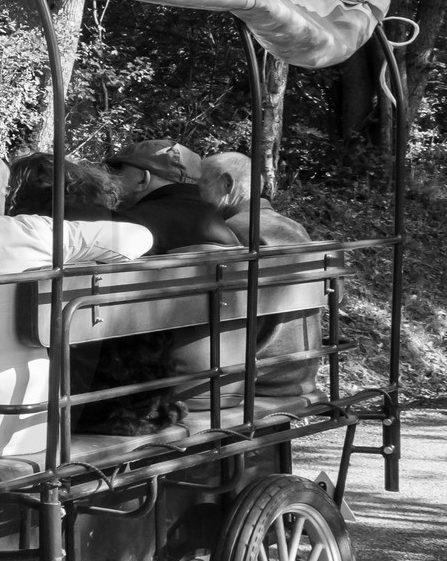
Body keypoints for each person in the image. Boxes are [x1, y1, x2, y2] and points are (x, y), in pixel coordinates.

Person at [0, 150, 155, 460]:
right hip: (27, 424)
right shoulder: (32, 232)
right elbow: (139, 238)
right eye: (2, 192)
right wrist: (78, 253)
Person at [195, 151, 322, 399]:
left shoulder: (232, 232)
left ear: (227, 184)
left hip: (260, 378)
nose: (194, 197)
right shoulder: (292, 227)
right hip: (301, 372)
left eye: (200, 185)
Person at [108, 138, 237, 253]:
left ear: (142, 179)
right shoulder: (218, 222)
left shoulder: (130, 225)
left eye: (117, 171)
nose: (111, 179)